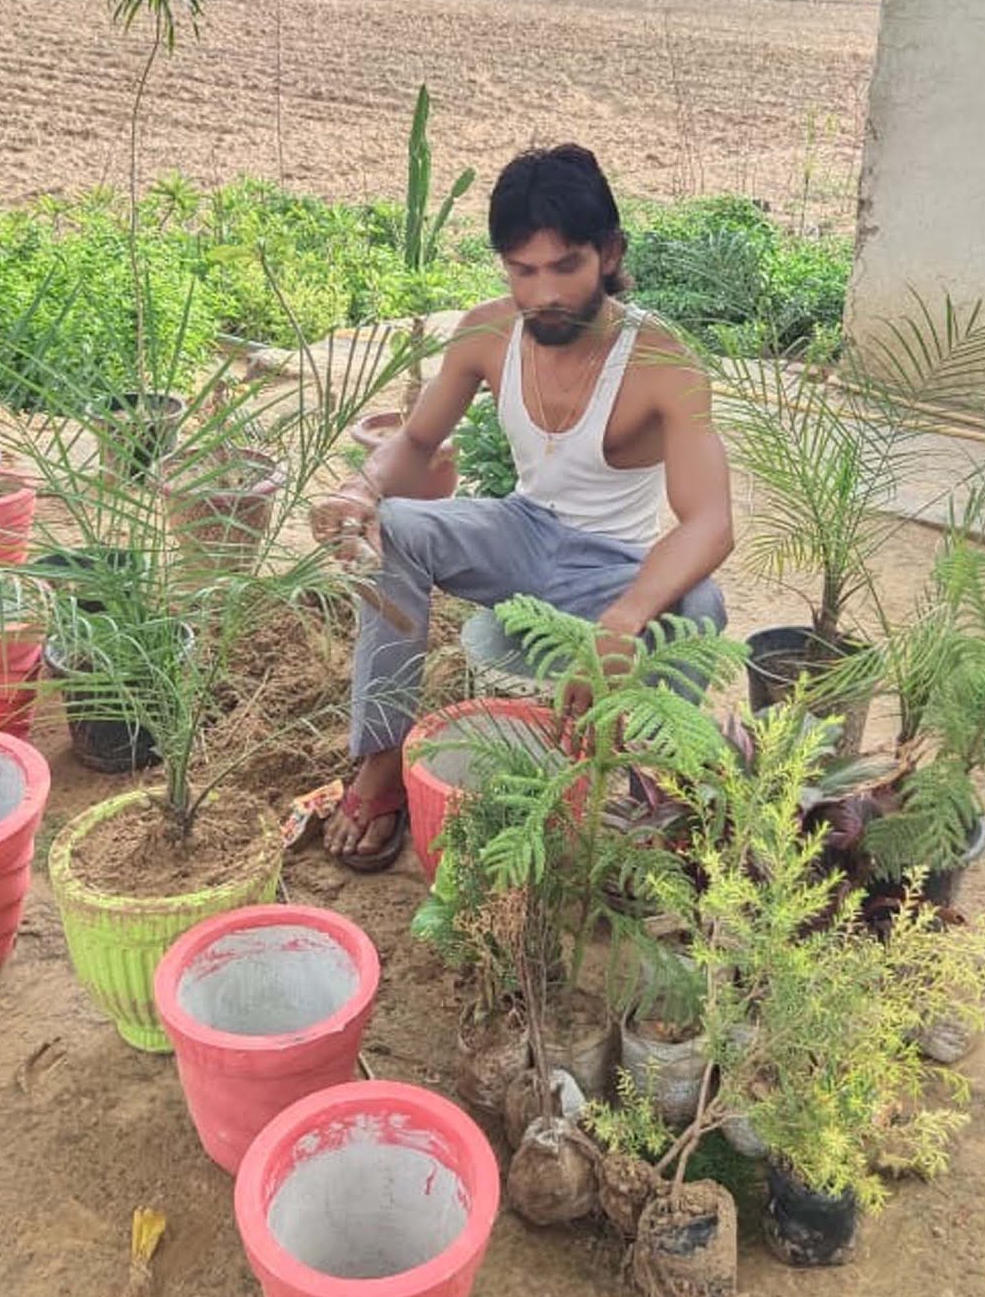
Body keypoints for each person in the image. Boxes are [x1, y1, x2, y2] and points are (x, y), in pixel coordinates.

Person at [312, 143, 735, 870]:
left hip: (613, 568)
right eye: (523, 270)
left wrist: (628, 615)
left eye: (565, 267)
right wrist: (362, 488)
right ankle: (382, 761)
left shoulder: (663, 362)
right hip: (519, 531)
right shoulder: (487, 332)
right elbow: (416, 442)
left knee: (701, 604)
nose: (544, 294)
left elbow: (711, 521)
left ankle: (648, 793)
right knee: (393, 529)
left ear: (609, 253)